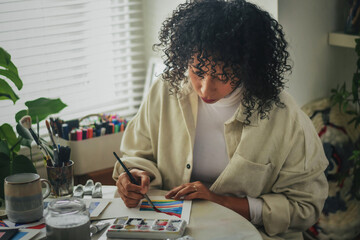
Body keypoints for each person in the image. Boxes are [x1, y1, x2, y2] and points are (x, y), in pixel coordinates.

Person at [112, 0, 329, 239]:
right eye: (198, 71)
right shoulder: (165, 91)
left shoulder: (284, 116)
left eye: (221, 76)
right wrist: (134, 175)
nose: (205, 89)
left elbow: (305, 207)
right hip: (172, 230)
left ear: (247, 68)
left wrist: (220, 201)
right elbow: (138, 155)